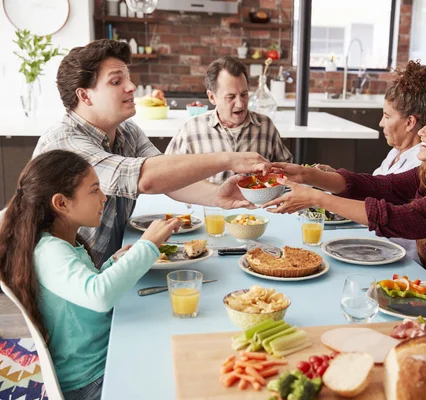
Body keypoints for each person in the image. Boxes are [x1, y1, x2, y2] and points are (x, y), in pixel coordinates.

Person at [265, 94, 426, 315]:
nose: (422, 131)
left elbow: (401, 219)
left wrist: (316, 198)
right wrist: (307, 175)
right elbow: (382, 186)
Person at [33, 40, 270, 264]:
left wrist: (217, 196)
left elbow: (166, 175)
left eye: (128, 78)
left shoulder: (126, 131)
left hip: (110, 268)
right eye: (116, 82)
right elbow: (143, 178)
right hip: (73, 284)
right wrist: (228, 159)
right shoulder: (65, 142)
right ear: (84, 95)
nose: (131, 87)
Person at [0, 150, 182, 400]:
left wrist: (114, 262)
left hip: (97, 363)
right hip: (90, 381)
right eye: (94, 190)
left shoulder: (59, 242)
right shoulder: (49, 252)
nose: (104, 198)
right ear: (61, 203)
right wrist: (147, 245)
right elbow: (99, 296)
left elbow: (85, 286)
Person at [314, 61, 426, 262]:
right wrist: (331, 177)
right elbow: (371, 188)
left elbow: (381, 211)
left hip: (400, 260)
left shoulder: (420, 165)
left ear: (410, 123)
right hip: (374, 247)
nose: (381, 123)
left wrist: (316, 196)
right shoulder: (395, 153)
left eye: (386, 116)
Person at [165, 56, 293, 184]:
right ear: (212, 97)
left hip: (257, 204)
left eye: (244, 94)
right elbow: (166, 174)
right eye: (230, 97)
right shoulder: (191, 130)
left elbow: (287, 170)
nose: (240, 104)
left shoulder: (266, 127)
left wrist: (273, 174)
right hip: (207, 204)